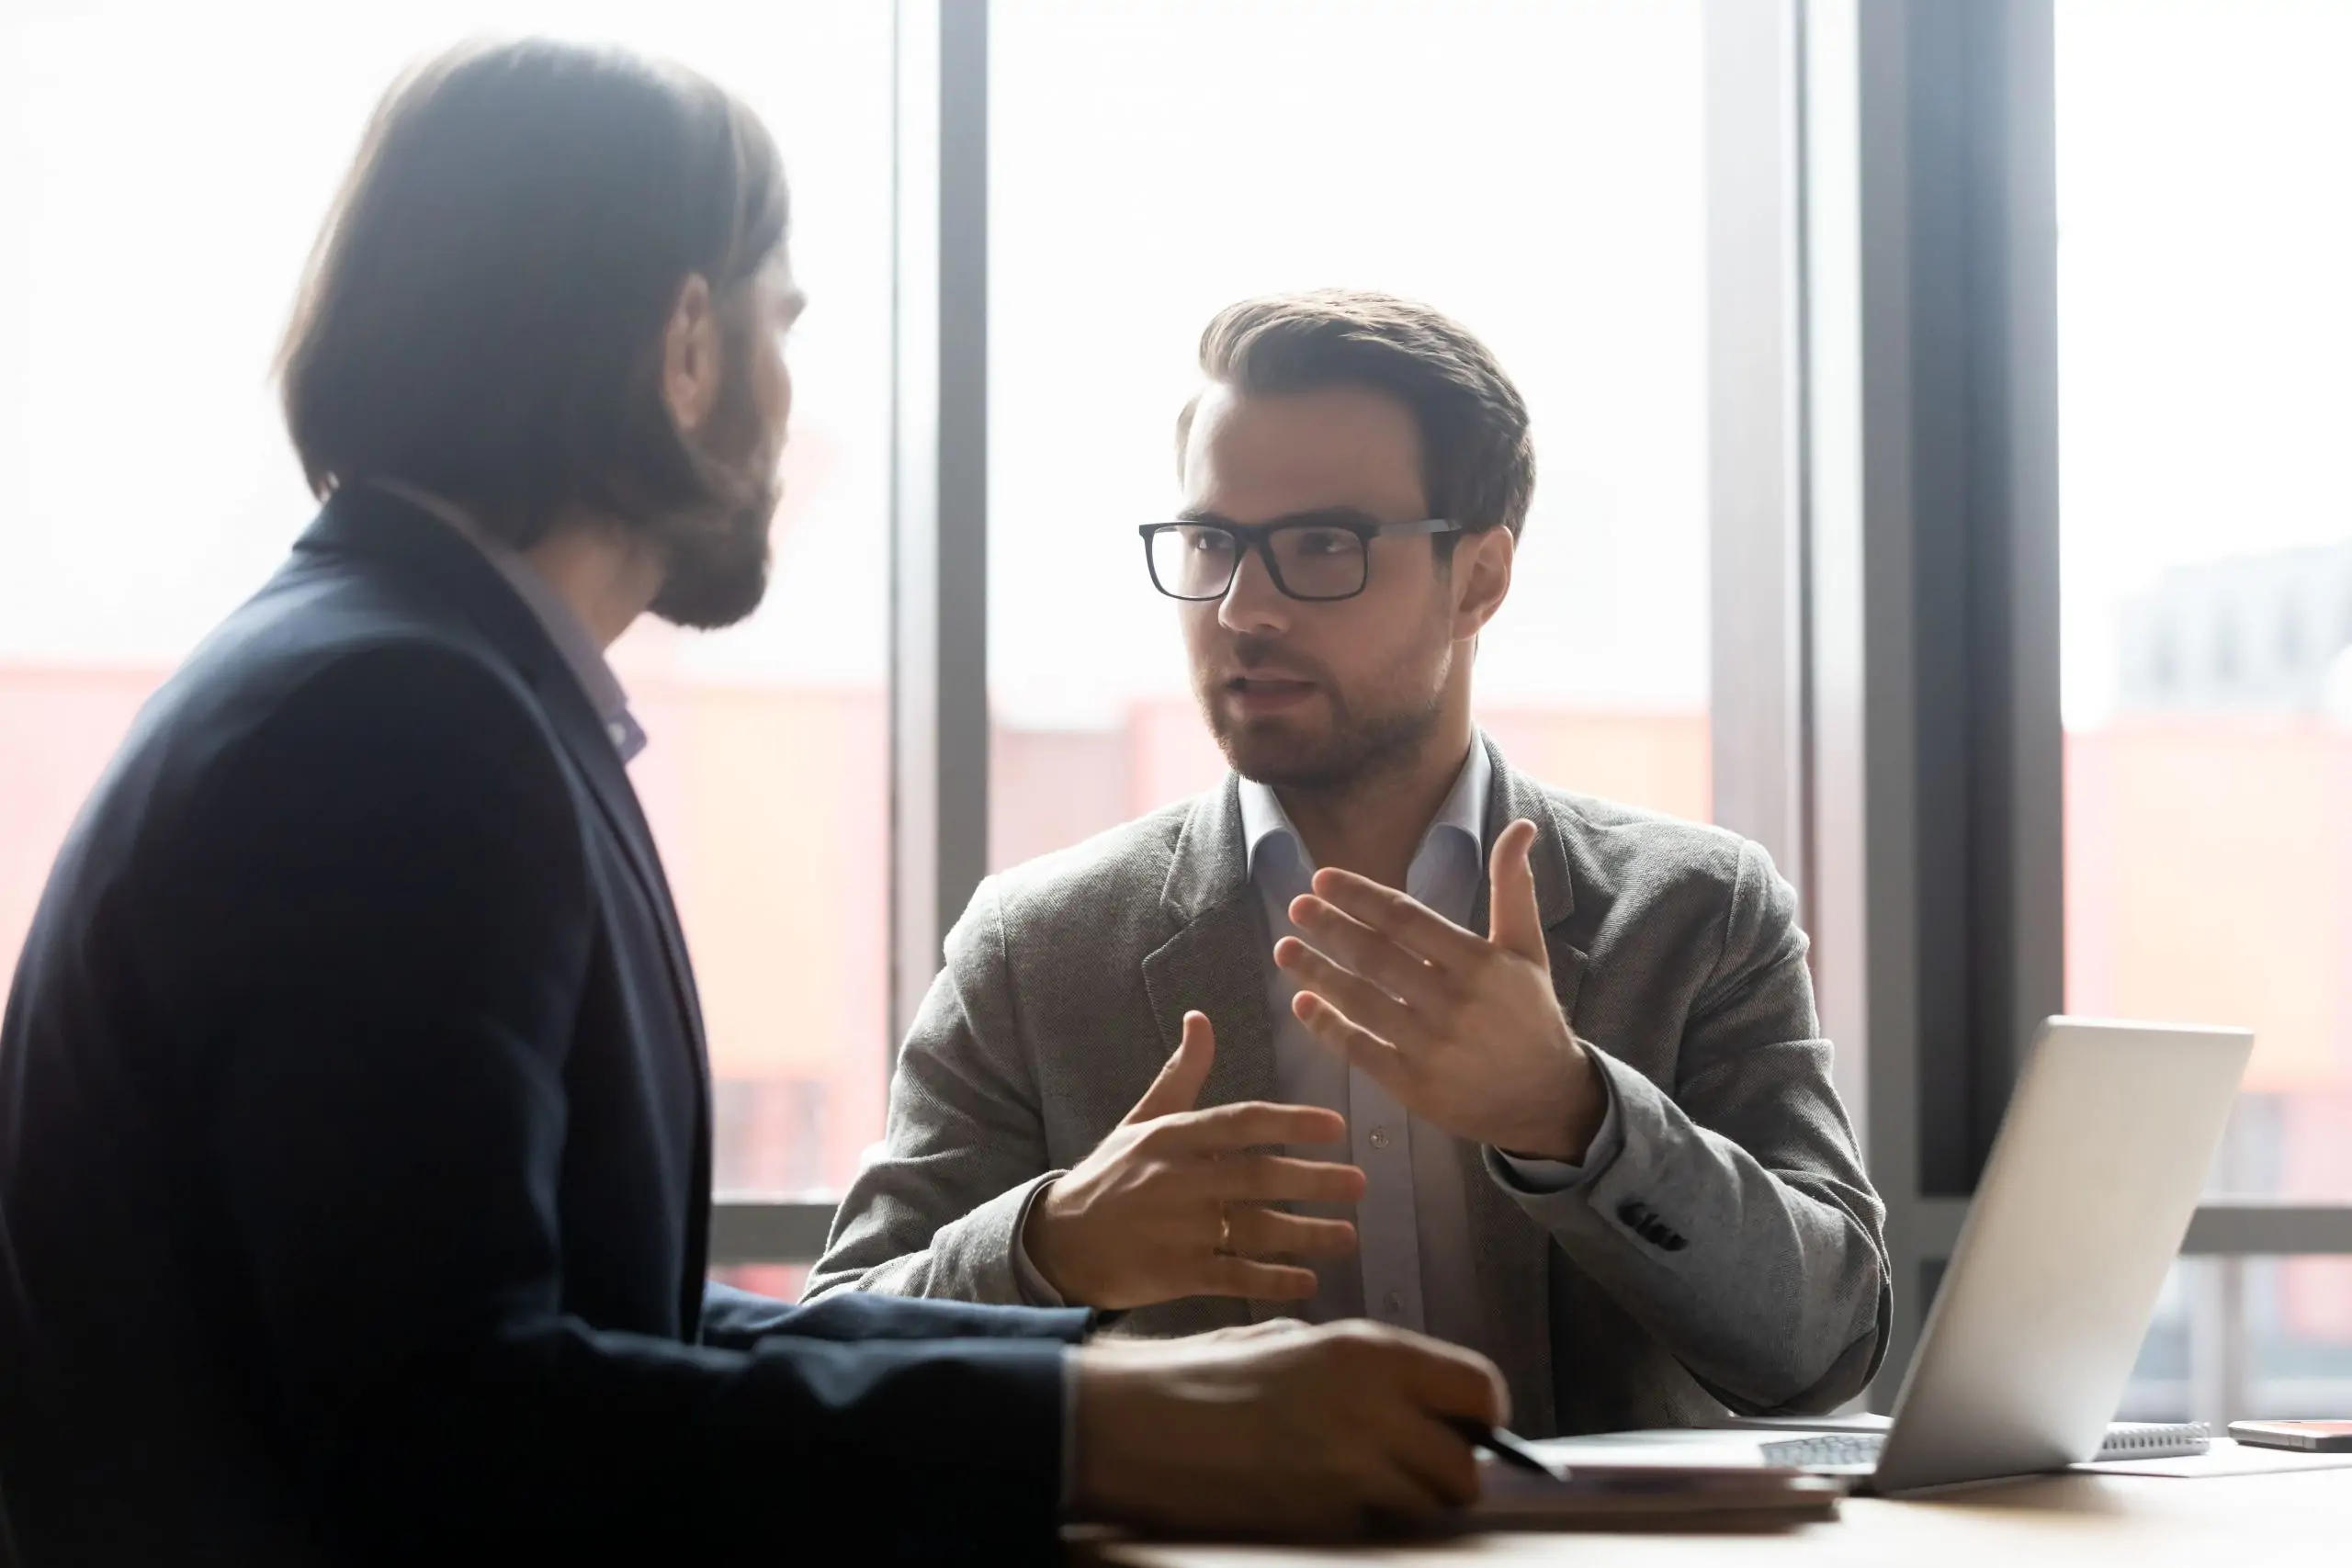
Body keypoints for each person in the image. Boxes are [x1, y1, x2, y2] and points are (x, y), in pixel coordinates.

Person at [0, 45, 1509, 1564]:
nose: (798, 412)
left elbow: (597, 1322)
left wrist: (1112, 1383)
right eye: (784, 324)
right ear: (687, 348)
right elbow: (443, 1415)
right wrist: (1112, 1433)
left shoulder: (413, 684)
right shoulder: (395, 728)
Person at [808, 289, 1893, 1438]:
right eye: (1213, 542)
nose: (1244, 606)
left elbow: (1823, 1349)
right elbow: (829, 1356)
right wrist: (1048, 1246)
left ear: (1477, 578)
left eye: (1321, 545)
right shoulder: (1037, 948)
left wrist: (1575, 1116)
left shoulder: (1694, 914)